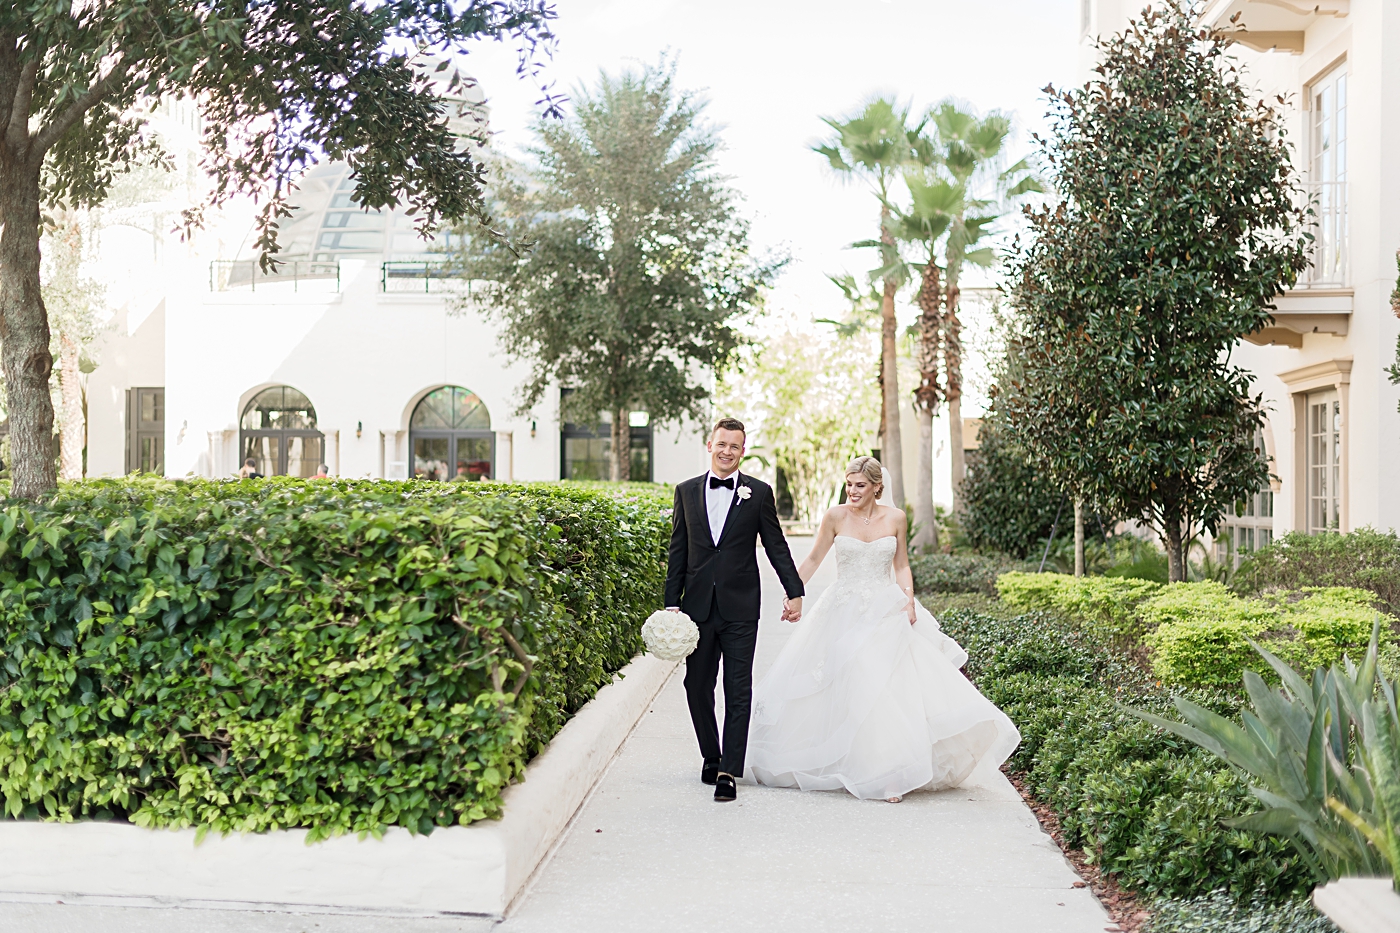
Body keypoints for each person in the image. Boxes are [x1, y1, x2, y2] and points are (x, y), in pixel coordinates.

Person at [745, 456, 1019, 803]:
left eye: (860, 485)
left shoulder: (896, 518)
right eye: (849, 484)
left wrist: (909, 601)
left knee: (884, 688)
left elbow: (901, 565)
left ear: (877, 487)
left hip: (885, 608)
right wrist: (793, 592)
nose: (852, 491)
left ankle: (889, 774)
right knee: (845, 684)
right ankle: (847, 763)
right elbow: (813, 559)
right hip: (842, 610)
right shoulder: (835, 516)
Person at [664, 418, 805, 804]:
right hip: (696, 609)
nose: (727, 451)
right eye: (721, 444)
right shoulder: (686, 491)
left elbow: (776, 545)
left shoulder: (758, 493)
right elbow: (678, 551)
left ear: (743, 451)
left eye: (735, 446)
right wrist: (671, 604)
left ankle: (729, 769)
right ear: (710, 445)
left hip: (741, 607)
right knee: (696, 686)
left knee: (738, 688)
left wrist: (794, 590)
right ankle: (711, 754)